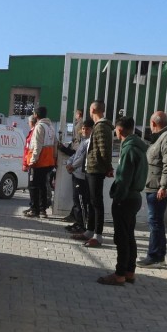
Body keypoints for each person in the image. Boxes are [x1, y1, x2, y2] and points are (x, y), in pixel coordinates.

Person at [97, 116, 148, 286]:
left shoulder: (128, 149)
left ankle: (119, 274)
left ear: (119, 130)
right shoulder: (139, 147)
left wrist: (117, 196)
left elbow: (124, 177)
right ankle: (129, 271)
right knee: (129, 236)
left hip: (125, 198)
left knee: (121, 238)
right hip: (135, 197)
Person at [138, 111, 167, 267]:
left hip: (159, 187)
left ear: (153, 123)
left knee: (155, 221)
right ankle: (157, 255)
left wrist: (164, 186)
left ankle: (156, 256)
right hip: (153, 185)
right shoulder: (161, 137)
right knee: (155, 221)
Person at [74, 100, 114, 247]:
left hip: (96, 169)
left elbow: (104, 150)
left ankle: (98, 235)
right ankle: (89, 231)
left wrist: (108, 167)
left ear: (93, 110)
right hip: (91, 168)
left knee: (97, 202)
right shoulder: (98, 126)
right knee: (91, 201)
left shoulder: (102, 127)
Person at [62, 118, 94, 234]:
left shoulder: (90, 142)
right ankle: (78, 221)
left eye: (87, 129)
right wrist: (69, 163)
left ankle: (82, 225)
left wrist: (73, 166)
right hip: (76, 174)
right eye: (83, 128)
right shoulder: (83, 141)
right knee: (76, 200)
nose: (84, 130)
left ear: (92, 129)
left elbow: (82, 158)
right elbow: (76, 155)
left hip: (81, 175)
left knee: (81, 201)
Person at [24, 107, 56, 218]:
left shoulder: (39, 127)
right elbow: (55, 143)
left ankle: (34, 209)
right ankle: (43, 210)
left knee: (33, 185)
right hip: (48, 161)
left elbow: (37, 145)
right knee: (42, 185)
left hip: (39, 161)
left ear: (36, 115)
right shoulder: (50, 127)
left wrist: (33, 160)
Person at [22, 114, 38, 212]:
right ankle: (34, 206)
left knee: (32, 185)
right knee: (32, 185)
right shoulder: (32, 132)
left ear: (31, 122)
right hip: (31, 161)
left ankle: (34, 207)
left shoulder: (34, 133)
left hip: (32, 162)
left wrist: (26, 163)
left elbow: (29, 149)